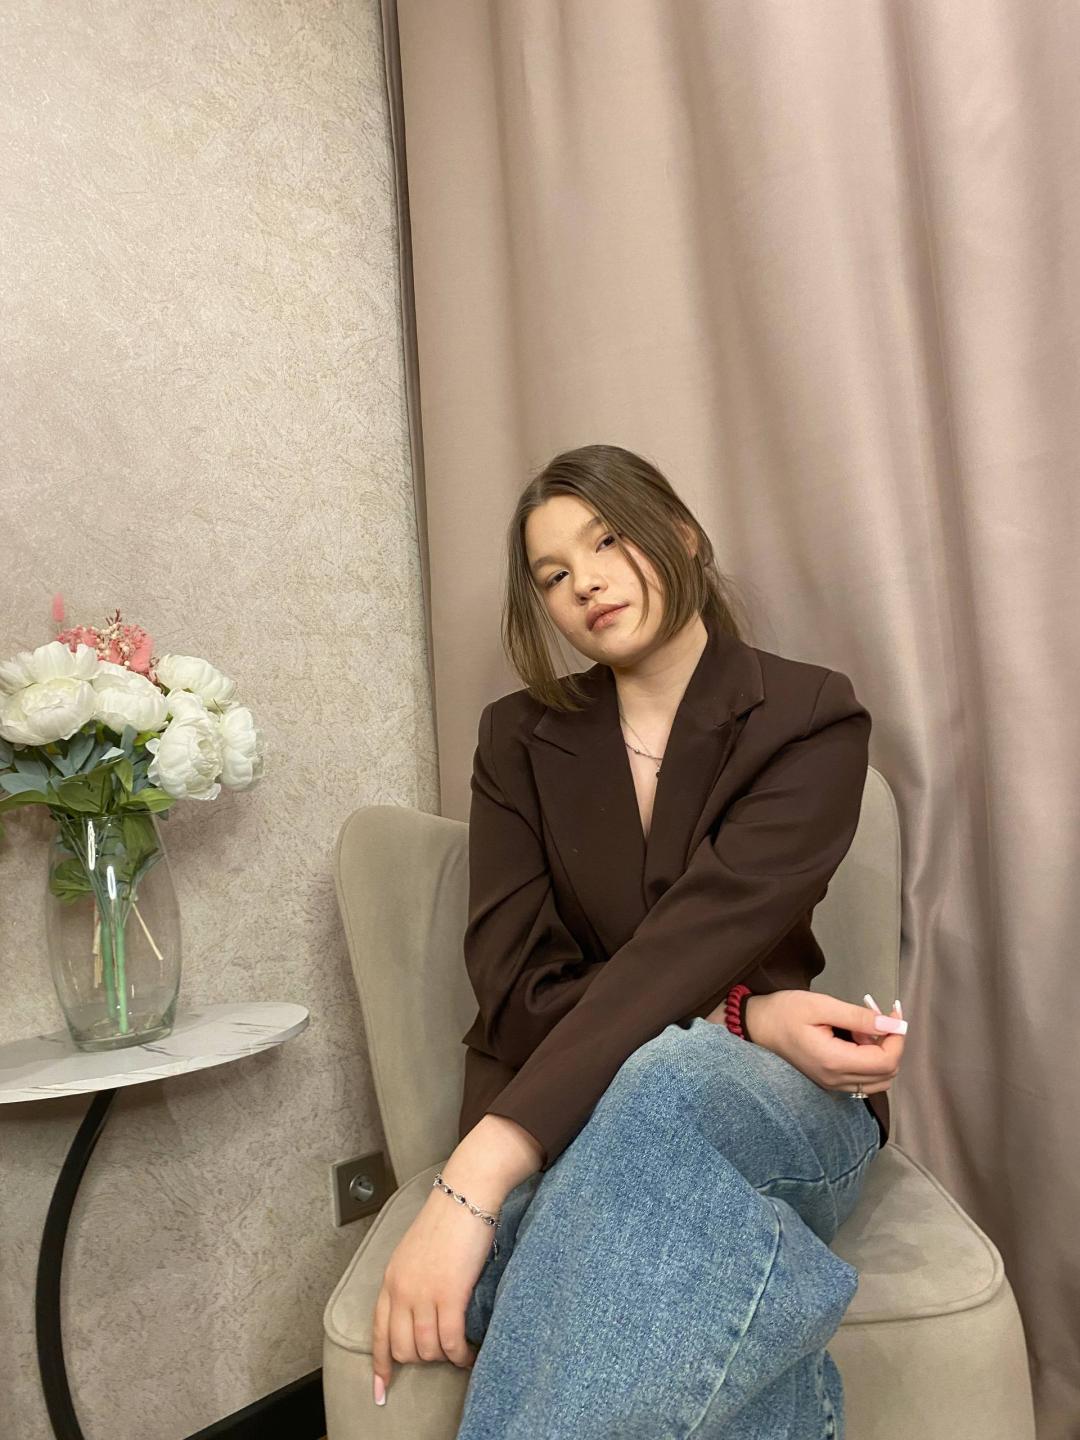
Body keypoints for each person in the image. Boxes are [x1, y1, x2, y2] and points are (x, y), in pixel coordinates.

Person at [370, 444, 908, 1437]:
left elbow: (706, 933)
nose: (585, 582)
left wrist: (475, 1175)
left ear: (684, 535)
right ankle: (770, 1285)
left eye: (608, 540)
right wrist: (744, 1011)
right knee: (660, 1214)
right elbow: (515, 989)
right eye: (553, 574)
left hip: (774, 1102)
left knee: (665, 1084)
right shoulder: (517, 738)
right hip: (578, 1104)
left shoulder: (809, 715)